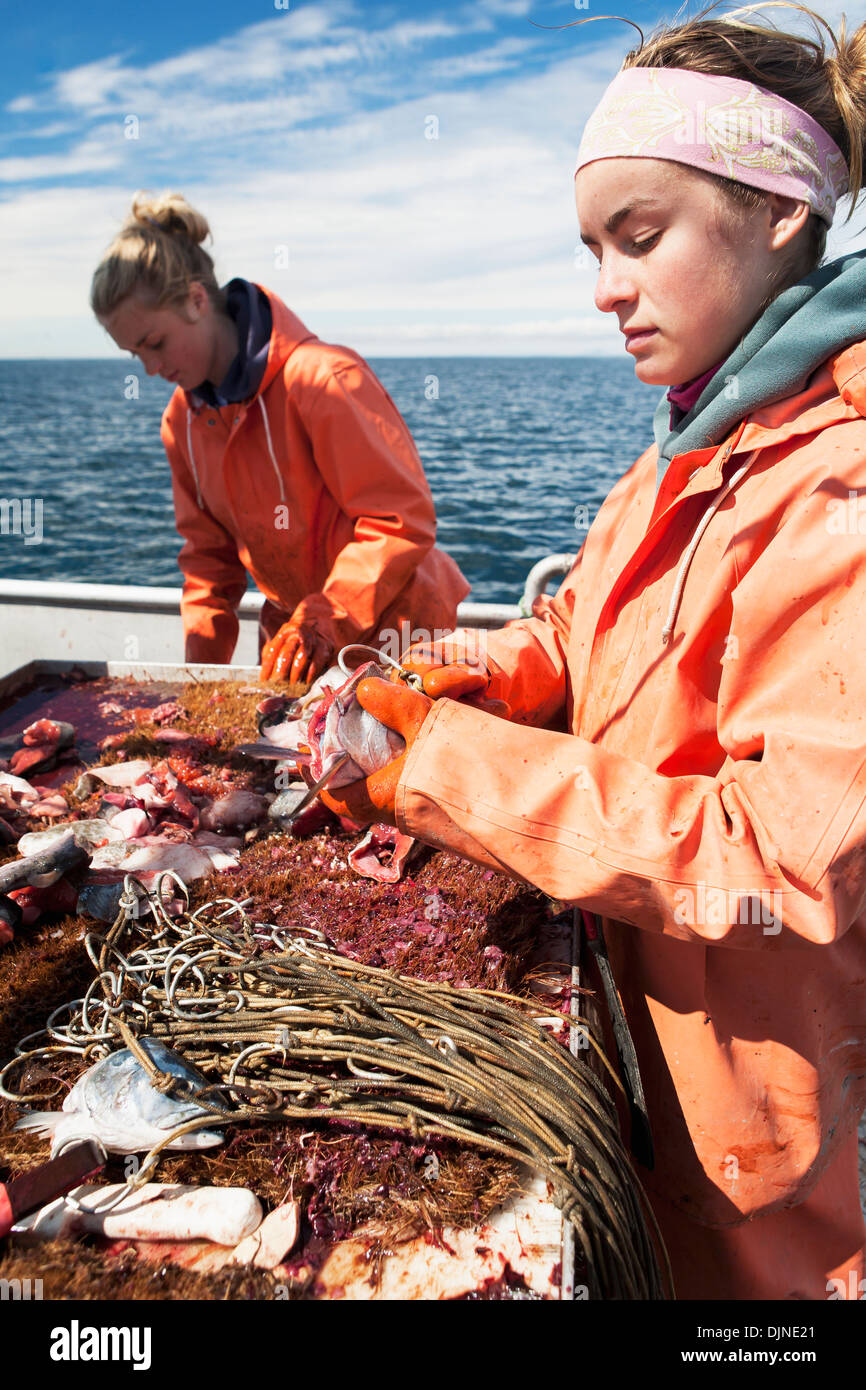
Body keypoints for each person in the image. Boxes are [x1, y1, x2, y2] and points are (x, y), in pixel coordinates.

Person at [320, 6, 866, 1300]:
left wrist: (447, 766)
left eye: (639, 236)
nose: (604, 289)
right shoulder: (691, 440)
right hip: (652, 1065)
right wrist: (469, 677)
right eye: (590, 248)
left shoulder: (836, 484)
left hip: (772, 1159)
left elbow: (784, 859)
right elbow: (584, 626)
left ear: (780, 212)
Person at [90, 194, 469, 683]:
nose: (150, 368)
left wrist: (323, 621)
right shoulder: (180, 421)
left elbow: (399, 523)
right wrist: (197, 682)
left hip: (400, 634)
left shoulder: (324, 379)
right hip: (298, 641)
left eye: (155, 343)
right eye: (135, 355)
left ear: (197, 300)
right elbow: (209, 563)